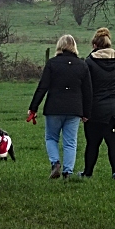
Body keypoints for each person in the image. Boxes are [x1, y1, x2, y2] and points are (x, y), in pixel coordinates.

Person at [28, 34, 92, 179]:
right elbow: (88, 92)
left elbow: (42, 87)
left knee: (51, 138)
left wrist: (34, 107)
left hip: (54, 107)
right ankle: (68, 171)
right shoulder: (82, 65)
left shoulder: (52, 63)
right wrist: (86, 112)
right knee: (70, 142)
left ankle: (55, 163)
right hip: (75, 108)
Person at [80, 28, 115, 180]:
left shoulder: (89, 63)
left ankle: (87, 173)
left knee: (92, 144)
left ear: (94, 45)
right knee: (114, 142)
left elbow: (86, 88)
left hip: (95, 110)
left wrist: (85, 111)